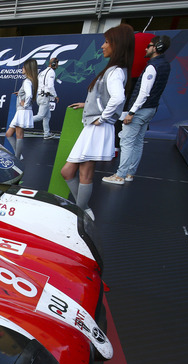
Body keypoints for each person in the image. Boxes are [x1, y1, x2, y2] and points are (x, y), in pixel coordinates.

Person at [60, 24, 135, 220]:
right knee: (69, 172)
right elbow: (106, 97)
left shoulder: (115, 71)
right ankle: (82, 209)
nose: (102, 46)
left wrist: (101, 117)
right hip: (95, 127)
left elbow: (118, 98)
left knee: (83, 174)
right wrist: (88, 105)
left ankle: (81, 212)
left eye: (107, 42)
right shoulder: (114, 70)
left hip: (98, 127)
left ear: (117, 45)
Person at [103, 35, 172, 185]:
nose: (146, 48)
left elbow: (144, 93)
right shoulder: (165, 64)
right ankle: (129, 174)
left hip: (140, 110)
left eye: (149, 46)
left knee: (127, 142)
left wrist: (131, 112)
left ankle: (120, 175)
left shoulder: (152, 66)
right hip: (150, 109)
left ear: (157, 48)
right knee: (137, 142)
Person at [5, 59, 39, 160]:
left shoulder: (27, 81)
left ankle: (17, 157)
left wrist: (25, 105)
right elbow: (29, 95)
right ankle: (18, 155)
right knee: (9, 134)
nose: (22, 69)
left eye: (23, 67)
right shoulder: (32, 82)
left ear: (28, 69)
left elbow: (29, 95)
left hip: (23, 111)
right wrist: (20, 93)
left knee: (19, 135)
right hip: (23, 111)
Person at [32, 57, 60, 139]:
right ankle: (21, 122)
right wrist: (55, 96)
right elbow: (50, 86)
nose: (58, 65)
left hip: (40, 96)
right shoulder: (51, 72)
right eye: (57, 63)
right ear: (54, 64)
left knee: (47, 116)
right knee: (40, 116)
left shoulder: (42, 72)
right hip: (44, 97)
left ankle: (46, 134)